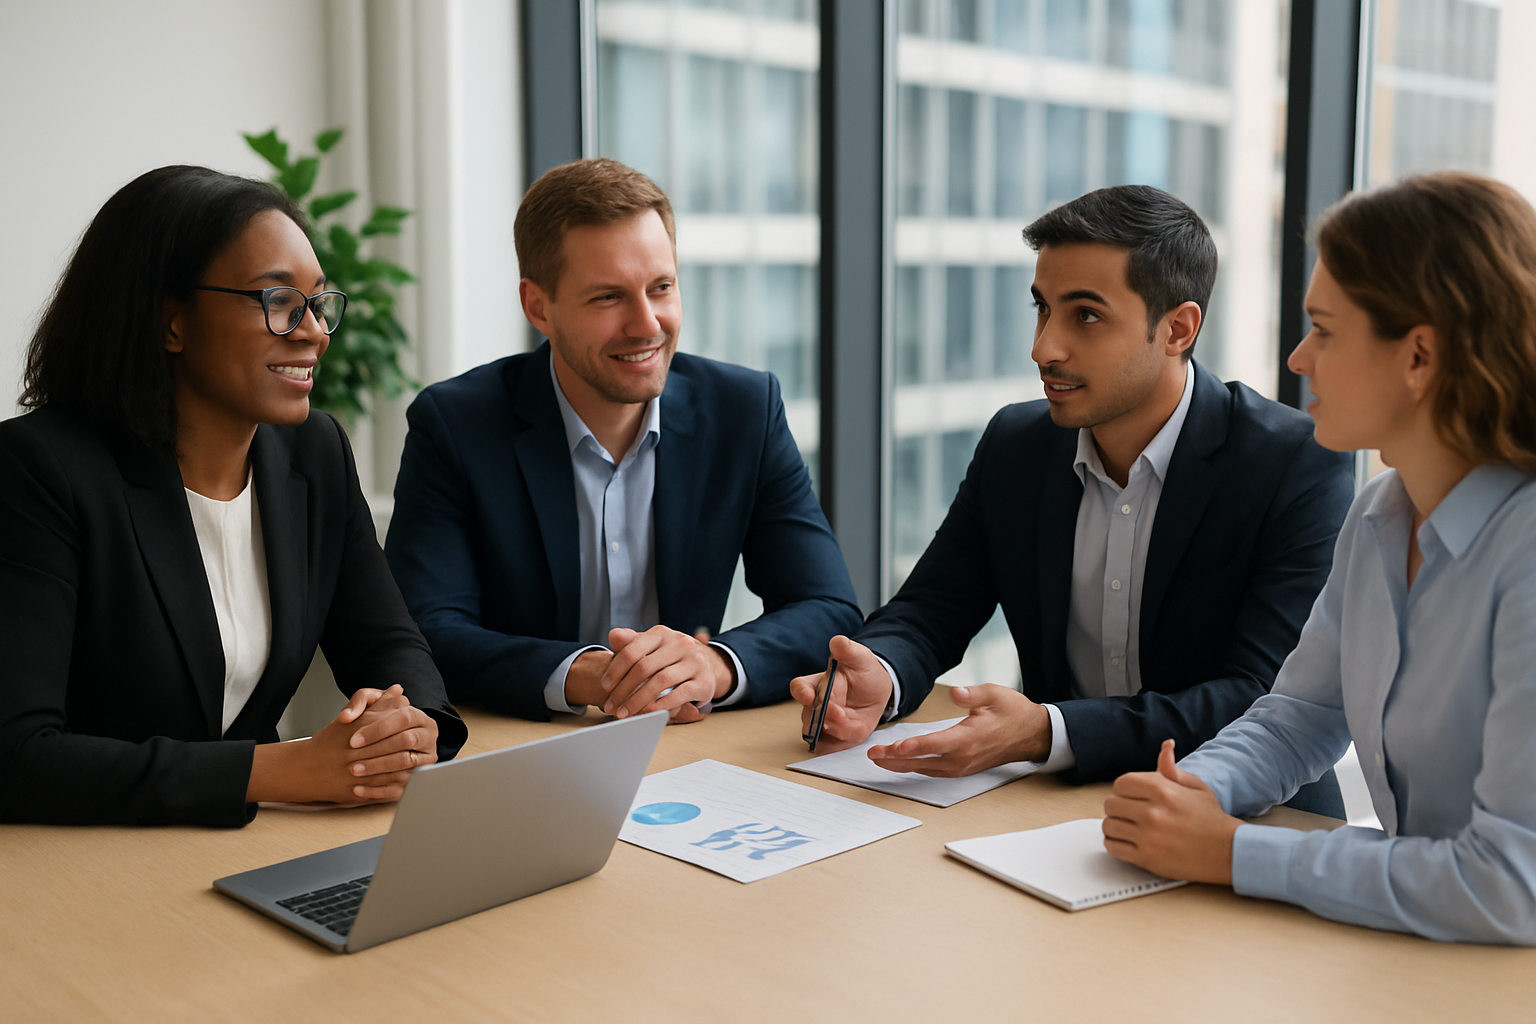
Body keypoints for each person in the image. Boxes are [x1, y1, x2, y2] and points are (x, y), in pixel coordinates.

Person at [791, 185, 1355, 804]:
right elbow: (933, 608)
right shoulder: (1017, 444)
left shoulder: (1292, 462)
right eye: (1042, 309)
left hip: (1248, 816)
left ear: (1177, 329)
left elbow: (1262, 700)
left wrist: (1047, 731)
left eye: (1085, 315)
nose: (1044, 349)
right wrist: (884, 672)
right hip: (1050, 813)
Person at [1101, 172, 1536, 945]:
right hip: (1416, 957)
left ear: (1419, 357)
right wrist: (1193, 791)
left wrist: (1236, 852)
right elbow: (1300, 716)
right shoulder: (1378, 513)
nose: (1300, 358)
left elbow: (1509, 884)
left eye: (1326, 330)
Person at [0, 166, 467, 827]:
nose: (313, 331)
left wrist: (408, 723)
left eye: (318, 302)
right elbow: (17, 756)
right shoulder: (38, 470)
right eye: (278, 300)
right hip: (83, 864)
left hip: (247, 844)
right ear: (170, 322)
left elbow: (389, 643)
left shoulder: (316, 455)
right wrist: (280, 769)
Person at [385, 158, 862, 723]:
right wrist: (595, 675)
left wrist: (712, 666)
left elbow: (826, 607)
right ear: (538, 305)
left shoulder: (745, 409)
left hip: (688, 740)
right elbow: (425, 632)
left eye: (661, 288)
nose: (646, 325)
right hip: (525, 750)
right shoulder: (458, 424)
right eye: (608, 297)